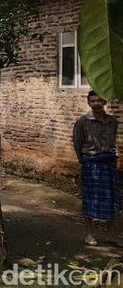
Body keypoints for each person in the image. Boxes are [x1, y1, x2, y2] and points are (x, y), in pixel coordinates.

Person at [73, 90, 120, 246]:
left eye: (100, 101)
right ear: (88, 103)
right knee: (90, 199)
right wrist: (85, 161)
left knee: (112, 199)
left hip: (109, 164)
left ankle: (110, 235)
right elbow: (77, 144)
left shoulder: (113, 122)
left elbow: (113, 143)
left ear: (105, 103)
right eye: (93, 101)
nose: (97, 104)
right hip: (91, 164)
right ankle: (89, 234)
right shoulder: (83, 122)